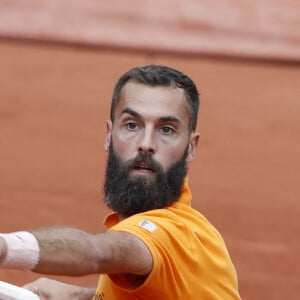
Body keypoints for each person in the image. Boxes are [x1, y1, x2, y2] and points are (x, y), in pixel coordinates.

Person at [0, 65, 241, 299]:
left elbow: (96, 252)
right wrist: (80, 296)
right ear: (109, 135)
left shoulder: (175, 235)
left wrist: (6, 247)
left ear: (191, 147)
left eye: (166, 130)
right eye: (132, 125)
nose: (146, 143)